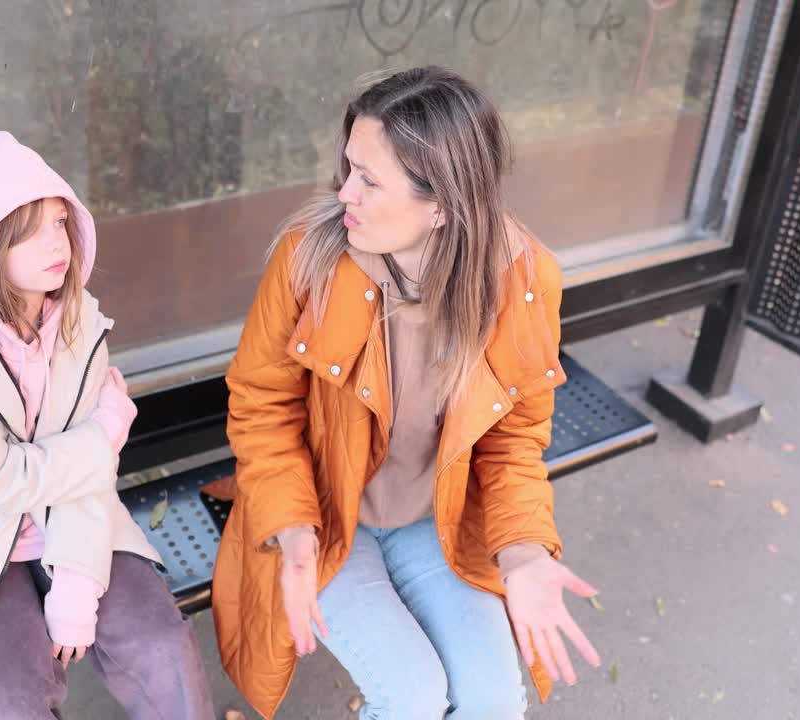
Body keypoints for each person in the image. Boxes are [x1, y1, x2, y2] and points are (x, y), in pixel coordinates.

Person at [210, 67, 601, 719]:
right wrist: (296, 534)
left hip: (436, 520)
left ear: (443, 204)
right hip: (329, 519)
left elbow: (514, 446)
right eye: (348, 168)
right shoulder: (308, 261)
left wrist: (526, 556)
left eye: (369, 179)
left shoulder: (525, 280)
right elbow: (260, 408)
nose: (344, 195)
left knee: (493, 705)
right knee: (414, 698)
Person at [0, 129, 213, 719]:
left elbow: (85, 481)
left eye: (59, 220)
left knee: (163, 644)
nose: (57, 243)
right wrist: (102, 436)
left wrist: (79, 585)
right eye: (29, 231)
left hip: (67, 520)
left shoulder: (78, 322)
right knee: (17, 698)